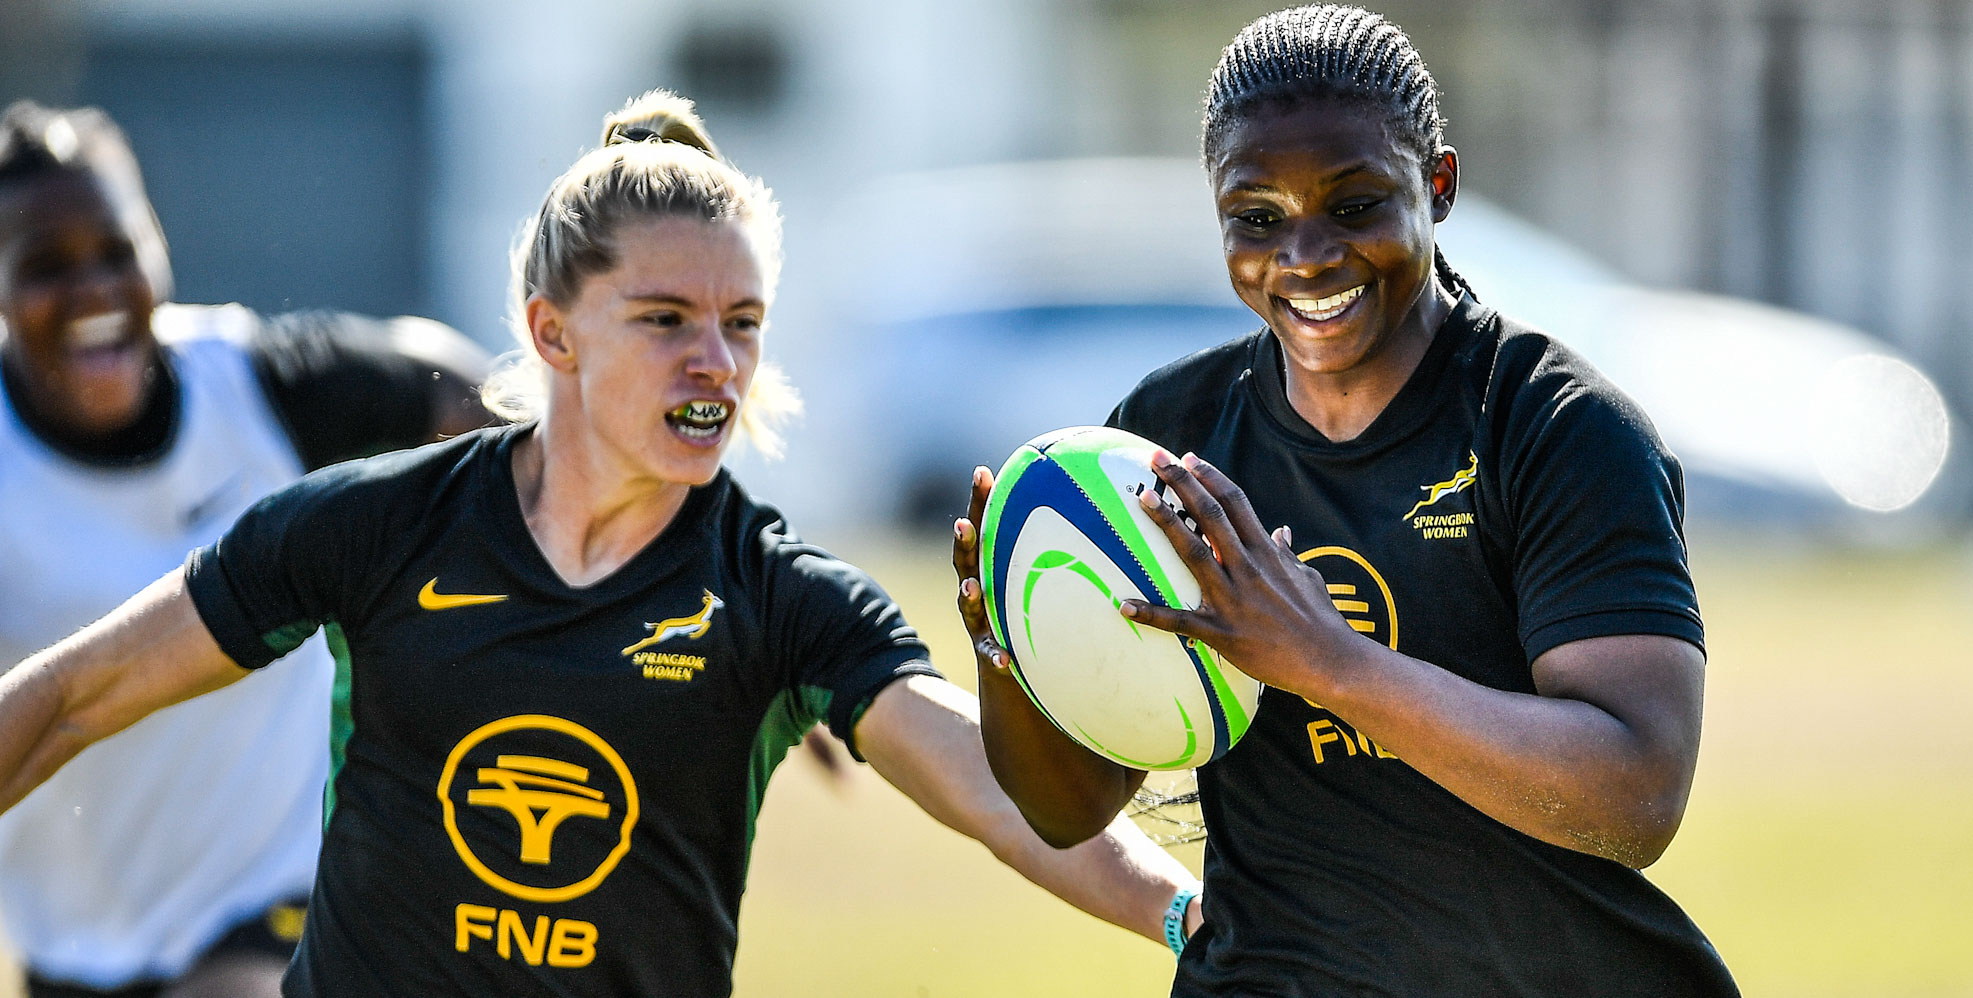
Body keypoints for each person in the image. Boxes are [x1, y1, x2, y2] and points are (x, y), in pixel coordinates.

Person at [0, 91, 1198, 997]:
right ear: (551, 331)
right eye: (664, 319)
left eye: (741, 324)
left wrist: (1191, 917)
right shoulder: (371, 526)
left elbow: (995, 792)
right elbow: (72, 697)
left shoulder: (780, 599)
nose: (713, 363)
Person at [955, 7, 1739, 996]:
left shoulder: (1549, 424)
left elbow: (1636, 795)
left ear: (1437, 187)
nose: (1306, 255)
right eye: (1255, 217)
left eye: (1354, 203)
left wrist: (1329, 663)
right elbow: (1072, 807)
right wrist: (1009, 651)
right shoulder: (1166, 435)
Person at [0, 101, 494, 998]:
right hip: (70, 952)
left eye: (118, 251)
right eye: (44, 267)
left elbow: (466, 397)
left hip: (285, 899)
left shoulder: (261, 387)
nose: (94, 291)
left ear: (158, 247)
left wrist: (697, 557)